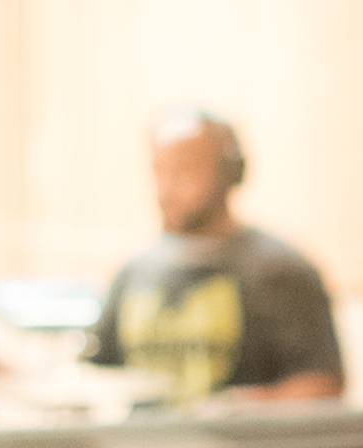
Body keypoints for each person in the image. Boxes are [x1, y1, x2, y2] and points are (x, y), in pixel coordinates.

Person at [80, 108, 345, 408]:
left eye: (185, 170)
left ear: (230, 173)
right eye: (159, 170)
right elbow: (94, 370)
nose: (167, 187)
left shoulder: (281, 271)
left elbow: (325, 385)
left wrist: (247, 409)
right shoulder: (133, 273)